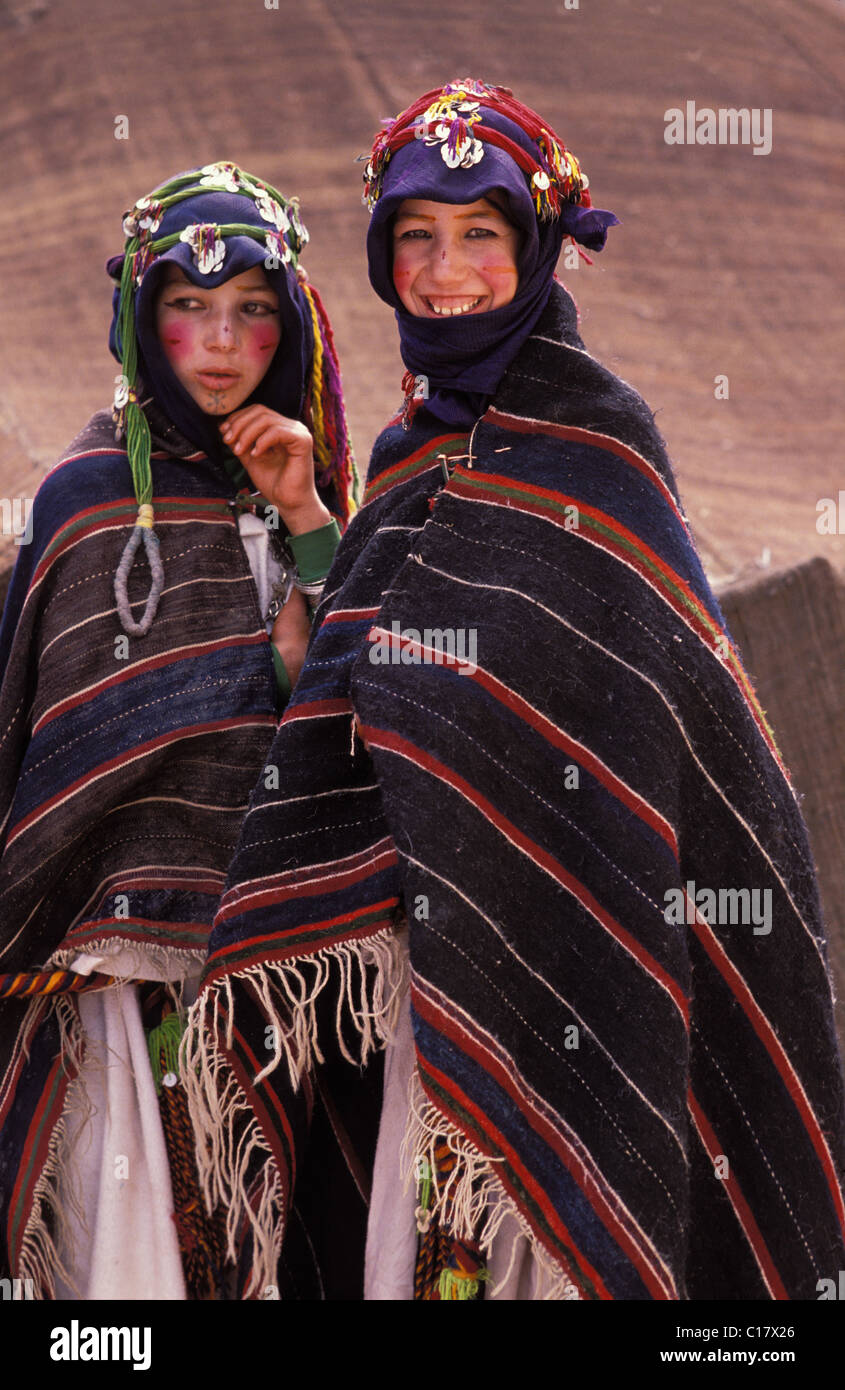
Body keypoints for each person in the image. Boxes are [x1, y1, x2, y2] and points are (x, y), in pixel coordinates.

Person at [184, 82, 845, 1300]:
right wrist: (311, 529)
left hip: (579, 983)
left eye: (478, 234)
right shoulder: (406, 455)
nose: (445, 272)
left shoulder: (599, 449)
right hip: (419, 999)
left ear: (536, 245)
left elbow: (671, 741)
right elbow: (354, 686)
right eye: (414, 237)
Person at [0, 162, 357, 1299]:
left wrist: (305, 514)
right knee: (133, 1268)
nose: (219, 341)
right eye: (187, 307)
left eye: (253, 308)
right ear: (140, 320)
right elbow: (44, 741)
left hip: (279, 968)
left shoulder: (301, 485)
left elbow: (358, 686)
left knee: (281, 1246)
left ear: (290, 324)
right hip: (105, 981)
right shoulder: (86, 495)